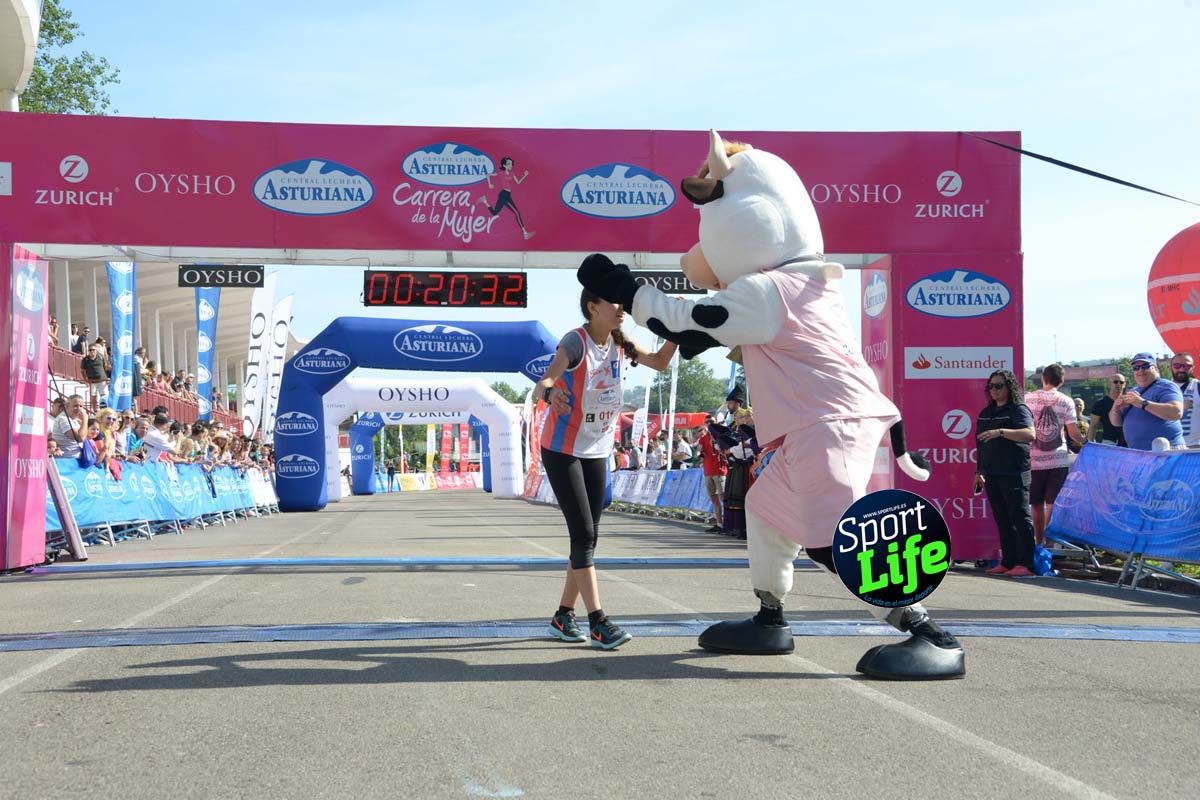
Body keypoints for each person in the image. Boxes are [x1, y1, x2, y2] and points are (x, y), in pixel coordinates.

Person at [534, 282, 677, 650]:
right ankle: (599, 622)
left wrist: (680, 331)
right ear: (592, 306)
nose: (621, 307)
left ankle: (563, 615)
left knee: (588, 538)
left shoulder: (619, 342)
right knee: (583, 535)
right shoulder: (576, 342)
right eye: (613, 301)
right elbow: (545, 379)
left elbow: (660, 362)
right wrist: (551, 394)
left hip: (597, 451)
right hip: (563, 449)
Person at [974, 370, 1038, 577]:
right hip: (992, 473)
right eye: (991, 386)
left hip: (1015, 471)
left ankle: (1026, 564)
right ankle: (1008, 561)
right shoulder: (986, 412)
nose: (994, 390)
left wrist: (1001, 432)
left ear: (1009, 387)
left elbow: (1030, 434)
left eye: (999, 386)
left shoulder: (1018, 409)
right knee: (1002, 519)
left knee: (1020, 517)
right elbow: (981, 445)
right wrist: (979, 471)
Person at [1025, 364, 1083, 544]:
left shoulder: (1028, 398)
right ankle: (1049, 542)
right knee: (1052, 502)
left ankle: (1038, 540)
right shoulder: (1066, 401)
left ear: (1043, 378)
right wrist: (1086, 442)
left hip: (1033, 458)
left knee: (1035, 503)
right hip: (1058, 459)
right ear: (1062, 380)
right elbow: (1073, 433)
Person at [1109, 352, 1184, 451]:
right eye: (1136, 368)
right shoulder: (1133, 391)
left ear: (1156, 369)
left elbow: (1176, 412)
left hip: (1168, 452)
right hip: (1141, 455)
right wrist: (1115, 409)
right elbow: (1117, 423)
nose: (1140, 370)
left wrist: (1142, 403)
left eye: (1145, 366)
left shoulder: (1166, 386)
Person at [477, 156, 534, 240]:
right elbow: (488, 174)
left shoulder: (512, 173)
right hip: (503, 195)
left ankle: (484, 201)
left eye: (511, 163)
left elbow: (518, 182)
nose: (510, 165)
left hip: (507, 195)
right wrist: (489, 184)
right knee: (517, 213)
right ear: (504, 165)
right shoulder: (501, 173)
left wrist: (524, 176)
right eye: (508, 164)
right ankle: (525, 233)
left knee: (495, 213)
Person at [697, 414, 728, 532]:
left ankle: (728, 523)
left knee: (723, 497)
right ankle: (719, 524)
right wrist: (699, 454)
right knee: (714, 499)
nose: (709, 424)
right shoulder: (703, 438)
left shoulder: (721, 435)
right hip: (708, 471)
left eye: (711, 422)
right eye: (707, 422)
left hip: (719, 471)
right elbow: (699, 450)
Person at [1089, 374, 1127, 445]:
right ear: (1109, 384)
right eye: (1115, 382)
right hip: (1110, 442)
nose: (1118, 384)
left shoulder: (1129, 401)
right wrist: (1090, 443)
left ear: (1124, 385)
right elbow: (1093, 426)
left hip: (1129, 442)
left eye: (1121, 382)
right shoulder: (1100, 403)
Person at [1169, 353, 1198, 447]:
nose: (1181, 369)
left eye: (1186, 366)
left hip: (1196, 446)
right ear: (1170, 367)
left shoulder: (1198, 386)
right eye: (1177, 366)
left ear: (1192, 368)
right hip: (1171, 446)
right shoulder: (1162, 388)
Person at [51, 394, 87, 459]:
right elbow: (80, 438)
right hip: (65, 460)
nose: (79, 408)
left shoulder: (74, 420)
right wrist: (85, 419)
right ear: (67, 406)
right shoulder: (63, 419)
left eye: (81, 406)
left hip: (74, 460)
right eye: (75, 406)